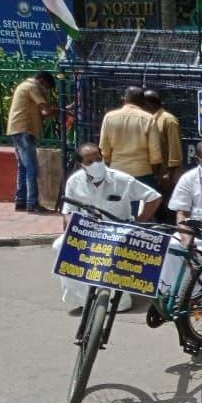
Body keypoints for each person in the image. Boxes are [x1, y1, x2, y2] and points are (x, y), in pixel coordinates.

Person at [54, 142, 161, 311]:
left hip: (118, 231)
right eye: (89, 162)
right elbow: (68, 212)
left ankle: (117, 299)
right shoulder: (74, 182)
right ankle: (82, 298)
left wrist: (139, 221)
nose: (96, 164)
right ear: (81, 164)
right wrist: (72, 231)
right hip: (89, 230)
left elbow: (153, 197)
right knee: (60, 246)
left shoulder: (122, 180)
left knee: (115, 253)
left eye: (98, 159)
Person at [7, 71, 58, 213]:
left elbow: (43, 113)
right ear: (42, 81)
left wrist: (59, 110)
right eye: (47, 86)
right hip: (24, 130)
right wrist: (61, 110)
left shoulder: (24, 86)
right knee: (32, 168)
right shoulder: (32, 87)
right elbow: (46, 111)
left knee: (23, 168)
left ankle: (21, 201)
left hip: (17, 129)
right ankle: (32, 203)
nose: (46, 90)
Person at [99, 86, 162, 194]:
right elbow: (155, 153)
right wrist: (155, 174)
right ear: (143, 101)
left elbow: (104, 149)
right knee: (143, 204)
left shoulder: (109, 117)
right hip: (142, 172)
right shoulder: (148, 118)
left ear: (123, 99)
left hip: (117, 171)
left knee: (118, 203)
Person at [142, 89, 183, 207]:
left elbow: (175, 149)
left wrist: (169, 174)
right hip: (154, 174)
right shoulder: (149, 119)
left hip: (167, 176)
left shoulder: (168, 120)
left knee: (167, 208)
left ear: (147, 104)